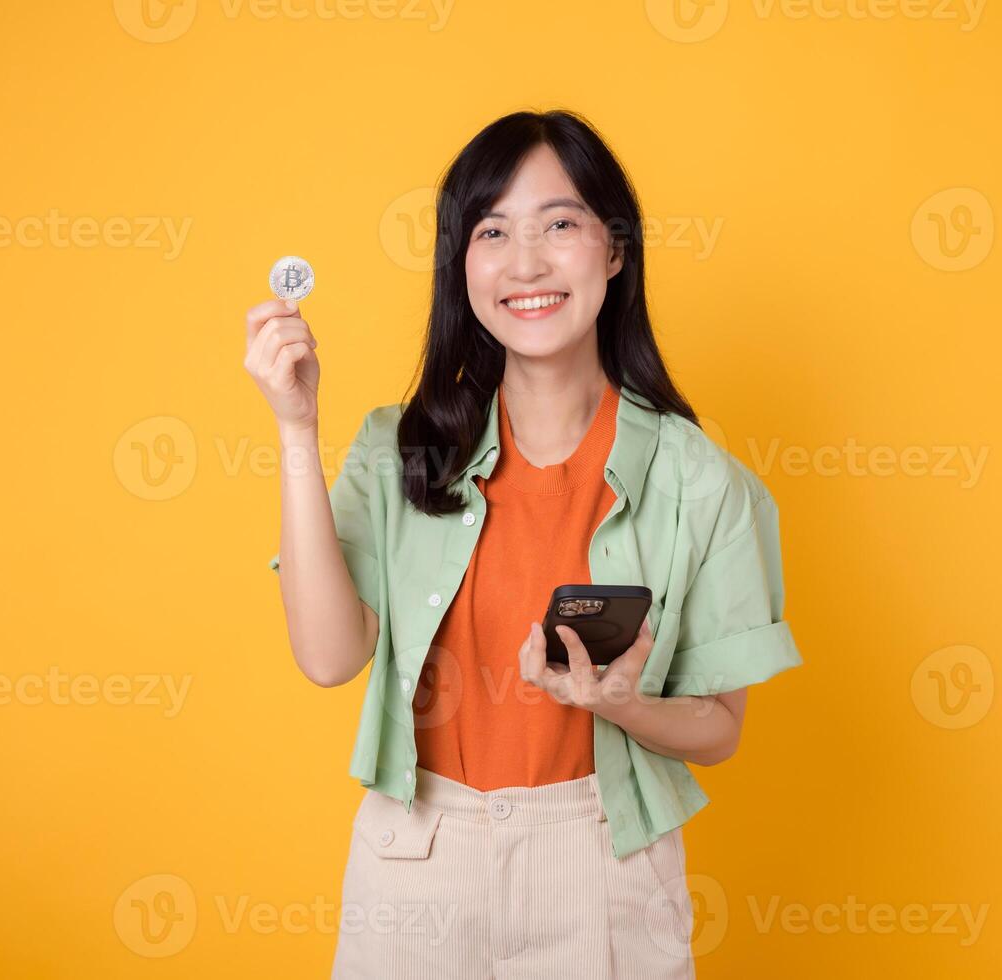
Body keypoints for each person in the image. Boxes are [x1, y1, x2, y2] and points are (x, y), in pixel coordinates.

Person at [247, 108, 803, 979]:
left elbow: (720, 730)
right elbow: (326, 657)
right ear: (460, 263)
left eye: (560, 225)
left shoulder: (702, 481)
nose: (526, 263)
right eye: (493, 231)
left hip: (604, 866)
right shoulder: (401, 450)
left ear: (615, 251)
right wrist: (295, 427)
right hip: (417, 861)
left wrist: (618, 702)